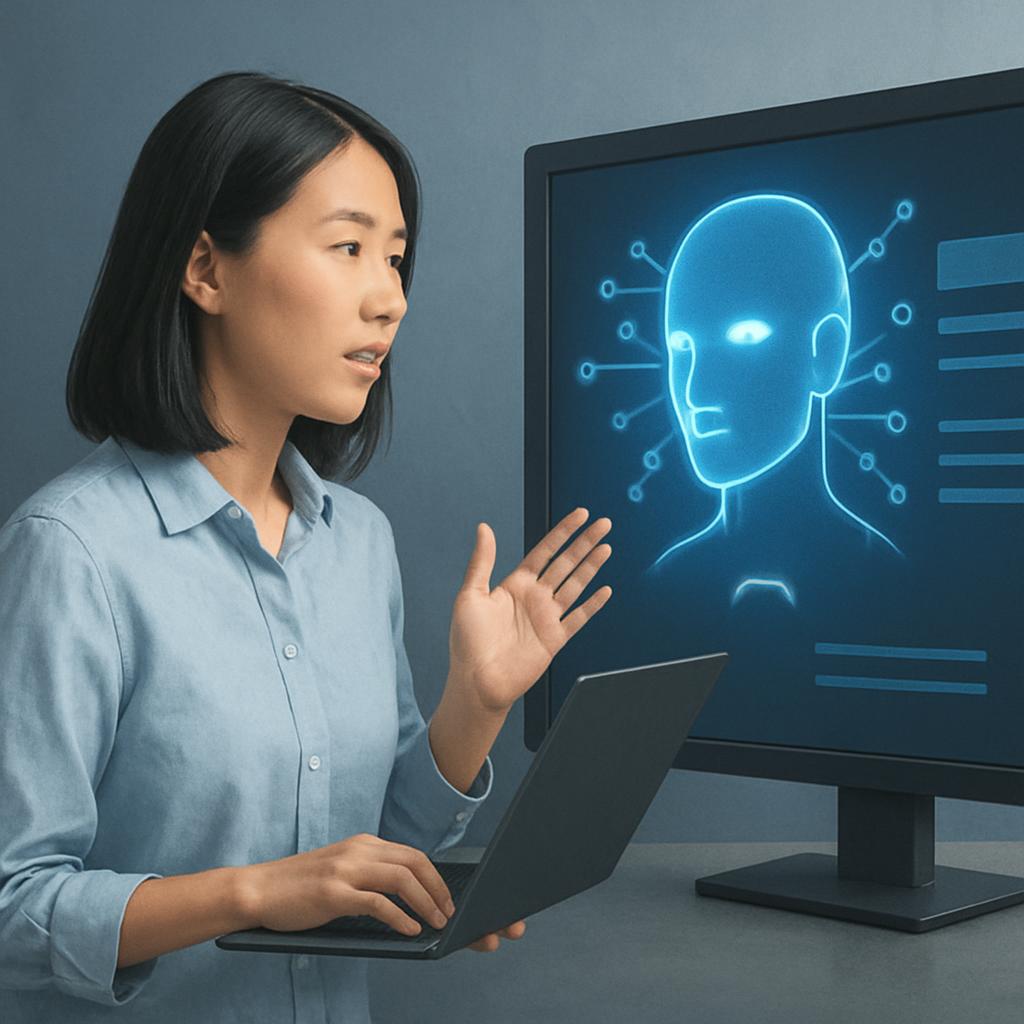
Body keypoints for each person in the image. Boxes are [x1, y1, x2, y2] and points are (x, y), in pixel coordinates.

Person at [0, 70, 613, 1023]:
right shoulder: (70, 553)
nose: (390, 300)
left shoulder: (358, 541)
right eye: (349, 247)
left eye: (397, 257)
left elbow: (373, 846)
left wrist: (477, 701)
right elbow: (12, 905)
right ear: (206, 269)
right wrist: (253, 891)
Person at [650, 193, 902, 581]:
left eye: (746, 335)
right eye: (681, 347)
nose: (694, 392)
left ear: (826, 352)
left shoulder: (889, 582)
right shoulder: (666, 585)